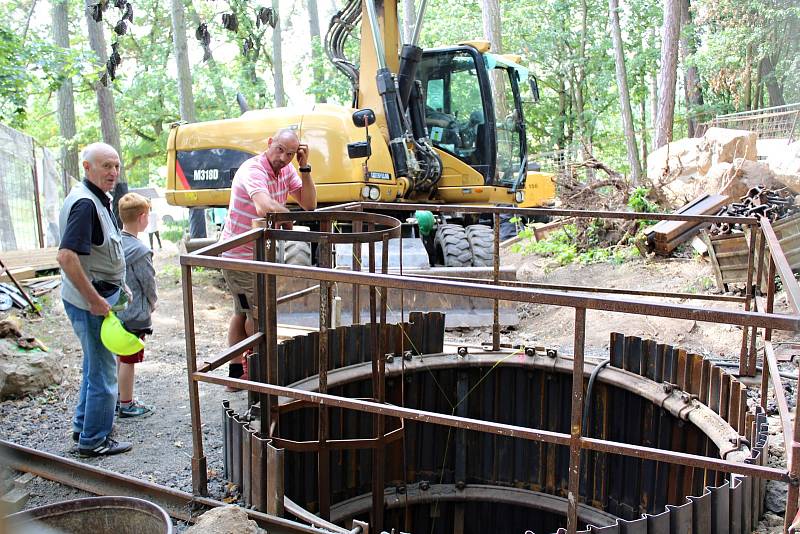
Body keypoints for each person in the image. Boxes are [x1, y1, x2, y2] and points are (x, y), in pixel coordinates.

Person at [220, 128, 317, 391]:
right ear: (269, 143)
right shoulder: (253, 169)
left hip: (259, 255)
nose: (283, 158)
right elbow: (263, 205)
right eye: (280, 150)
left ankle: (236, 374)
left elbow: (309, 204)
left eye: (290, 153)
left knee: (242, 312)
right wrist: (288, 218)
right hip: (240, 256)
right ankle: (258, 373)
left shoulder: (287, 170)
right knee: (257, 315)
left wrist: (305, 168)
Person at [57, 142, 132, 457]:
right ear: (86, 167)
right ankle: (95, 441)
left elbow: (105, 251)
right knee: (103, 371)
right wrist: (94, 300)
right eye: (105, 166)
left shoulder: (97, 199)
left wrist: (121, 285)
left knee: (93, 365)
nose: (113, 172)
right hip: (91, 301)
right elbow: (66, 256)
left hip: (99, 295)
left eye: (115, 166)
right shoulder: (85, 204)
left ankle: (83, 427)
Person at [116, 192, 158, 418]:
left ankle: (117, 397)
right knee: (129, 360)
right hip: (134, 314)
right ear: (142, 217)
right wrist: (153, 304)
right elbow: (148, 282)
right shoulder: (140, 250)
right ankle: (126, 403)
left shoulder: (116, 243)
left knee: (118, 357)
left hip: (118, 311)